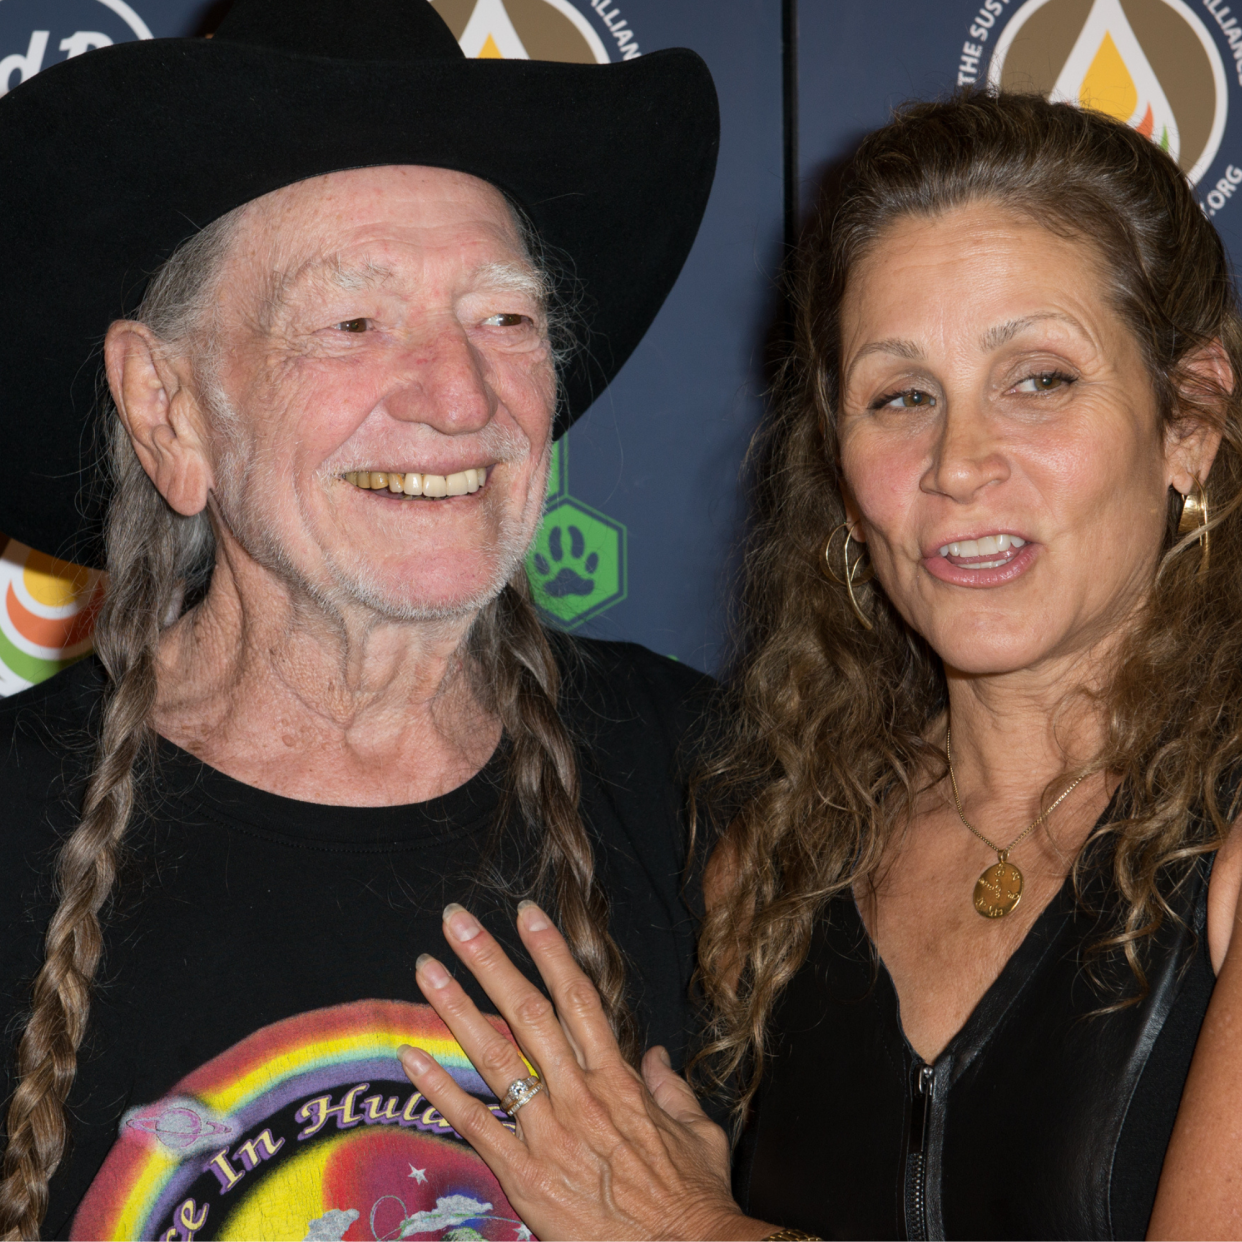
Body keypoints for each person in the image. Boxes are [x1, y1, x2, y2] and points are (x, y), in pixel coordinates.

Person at [393, 91, 1242, 1241]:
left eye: (1039, 379)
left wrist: (701, 1232)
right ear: (839, 474)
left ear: (1189, 420)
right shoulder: (772, 874)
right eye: (900, 397)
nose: (958, 463)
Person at [0, 2, 719, 1238]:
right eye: (352, 322)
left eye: (506, 317)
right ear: (168, 409)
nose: (459, 397)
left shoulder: (723, 784)